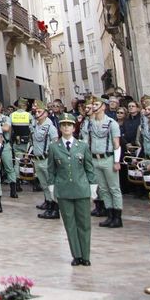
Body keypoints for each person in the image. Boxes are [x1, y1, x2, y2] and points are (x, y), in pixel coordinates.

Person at [46, 113, 98, 266]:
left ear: (74, 128)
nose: (66, 127)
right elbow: (51, 170)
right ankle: (76, 255)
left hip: (81, 188)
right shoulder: (54, 147)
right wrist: (52, 188)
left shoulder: (82, 146)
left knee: (84, 223)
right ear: (60, 128)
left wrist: (93, 186)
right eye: (63, 125)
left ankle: (86, 255)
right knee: (69, 224)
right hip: (64, 189)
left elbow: (89, 168)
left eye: (69, 125)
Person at [83, 101, 122, 227]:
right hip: (95, 158)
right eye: (93, 105)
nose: (94, 107)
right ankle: (109, 213)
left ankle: (117, 216)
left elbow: (116, 143)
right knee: (103, 189)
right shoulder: (90, 123)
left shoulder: (112, 123)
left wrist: (116, 161)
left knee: (114, 188)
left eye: (96, 105)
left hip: (108, 157)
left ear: (103, 107)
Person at [28, 105, 59, 219]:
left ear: (45, 113)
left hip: (47, 159)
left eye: (40, 111)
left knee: (51, 185)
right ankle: (49, 205)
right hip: (37, 158)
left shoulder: (50, 127)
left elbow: (55, 144)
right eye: (36, 111)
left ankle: (55, 208)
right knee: (44, 185)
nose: (37, 114)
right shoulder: (35, 125)